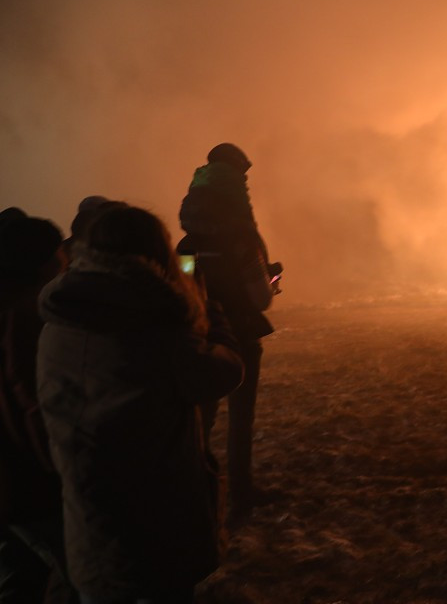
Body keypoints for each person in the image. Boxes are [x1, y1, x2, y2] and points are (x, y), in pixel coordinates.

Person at [37, 205, 243, 604]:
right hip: (156, 526)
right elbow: (222, 372)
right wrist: (207, 306)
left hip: (88, 520)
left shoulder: (59, 321)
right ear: (154, 253)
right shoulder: (158, 332)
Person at [178, 143, 281, 523]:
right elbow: (260, 299)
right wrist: (271, 279)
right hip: (239, 339)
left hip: (200, 339)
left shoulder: (186, 244)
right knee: (241, 419)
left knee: (200, 419)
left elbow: (187, 291)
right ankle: (241, 494)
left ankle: (194, 492)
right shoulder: (243, 240)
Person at [0, 215, 75, 603]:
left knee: (20, 576)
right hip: (29, 485)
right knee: (82, 576)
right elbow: (35, 407)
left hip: (13, 487)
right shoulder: (27, 318)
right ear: (44, 262)